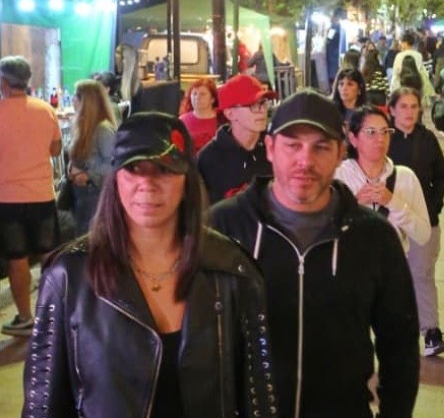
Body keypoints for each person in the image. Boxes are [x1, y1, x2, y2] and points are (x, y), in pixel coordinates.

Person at [22, 112, 277, 417]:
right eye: (133, 169)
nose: (147, 183)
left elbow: (258, 400)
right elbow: (42, 407)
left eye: (163, 170)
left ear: (187, 181)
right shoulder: (68, 277)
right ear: (116, 179)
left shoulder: (233, 271)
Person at [209, 89, 420, 417]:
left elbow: (401, 348)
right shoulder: (224, 228)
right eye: (293, 145)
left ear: (340, 153)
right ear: (270, 148)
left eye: (320, 147)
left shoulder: (374, 237)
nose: (305, 161)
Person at [0, 56, 62, 337]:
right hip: (42, 195)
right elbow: (56, 150)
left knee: (17, 257)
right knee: (49, 256)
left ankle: (25, 316)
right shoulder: (46, 110)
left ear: (3, 82)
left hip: (8, 197)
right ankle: (53, 314)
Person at [387, 89, 444, 355]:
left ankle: (431, 332)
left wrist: (433, 207)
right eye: (403, 106)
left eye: (414, 107)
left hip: (424, 222)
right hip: (388, 222)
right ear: (392, 110)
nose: (409, 112)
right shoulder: (383, 140)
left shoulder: (427, 140)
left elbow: (442, 174)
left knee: (422, 275)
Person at [335, 106, 431, 251]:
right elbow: (321, 231)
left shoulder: (405, 177)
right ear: (353, 139)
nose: (380, 139)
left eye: (385, 132)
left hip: (393, 267)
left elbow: (423, 235)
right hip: (349, 267)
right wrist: (354, 205)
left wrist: (393, 202)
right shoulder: (338, 176)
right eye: (371, 132)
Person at [197, 75, 275, 203]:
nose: (262, 111)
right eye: (253, 105)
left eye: (263, 103)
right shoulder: (208, 159)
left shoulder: (275, 149)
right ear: (230, 114)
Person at [67, 80, 117, 235]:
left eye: (77, 96)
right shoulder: (84, 127)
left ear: (88, 102)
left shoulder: (103, 129)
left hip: (94, 193)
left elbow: (113, 163)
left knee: (90, 238)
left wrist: (88, 176)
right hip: (81, 193)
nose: (73, 100)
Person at [178, 78, 223, 154]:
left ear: (212, 99)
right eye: (194, 94)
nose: (197, 97)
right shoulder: (182, 120)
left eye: (203, 94)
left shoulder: (222, 119)